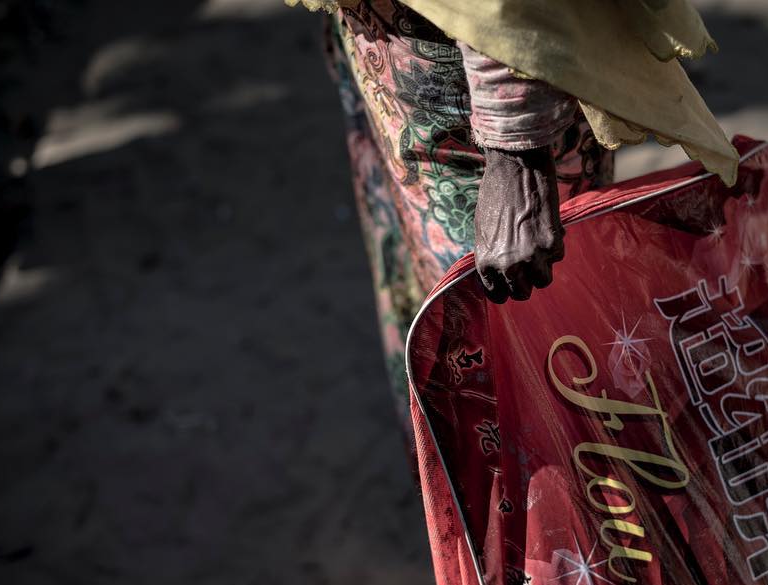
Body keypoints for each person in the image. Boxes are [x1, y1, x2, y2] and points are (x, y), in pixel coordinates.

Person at [289, 0, 738, 429]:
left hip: (472, 79)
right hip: (382, 47)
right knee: (452, 355)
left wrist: (515, 148)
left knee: (540, 370)